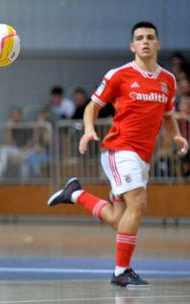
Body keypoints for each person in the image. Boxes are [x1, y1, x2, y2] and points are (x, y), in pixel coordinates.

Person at [47, 21, 188, 287]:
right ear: (132, 46)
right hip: (119, 148)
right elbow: (92, 106)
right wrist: (89, 130)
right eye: (139, 38)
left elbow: (168, 115)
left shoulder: (167, 80)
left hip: (143, 157)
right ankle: (121, 271)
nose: (145, 41)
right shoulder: (119, 74)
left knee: (119, 218)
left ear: (157, 44)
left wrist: (177, 135)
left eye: (150, 37)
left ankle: (75, 193)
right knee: (139, 205)